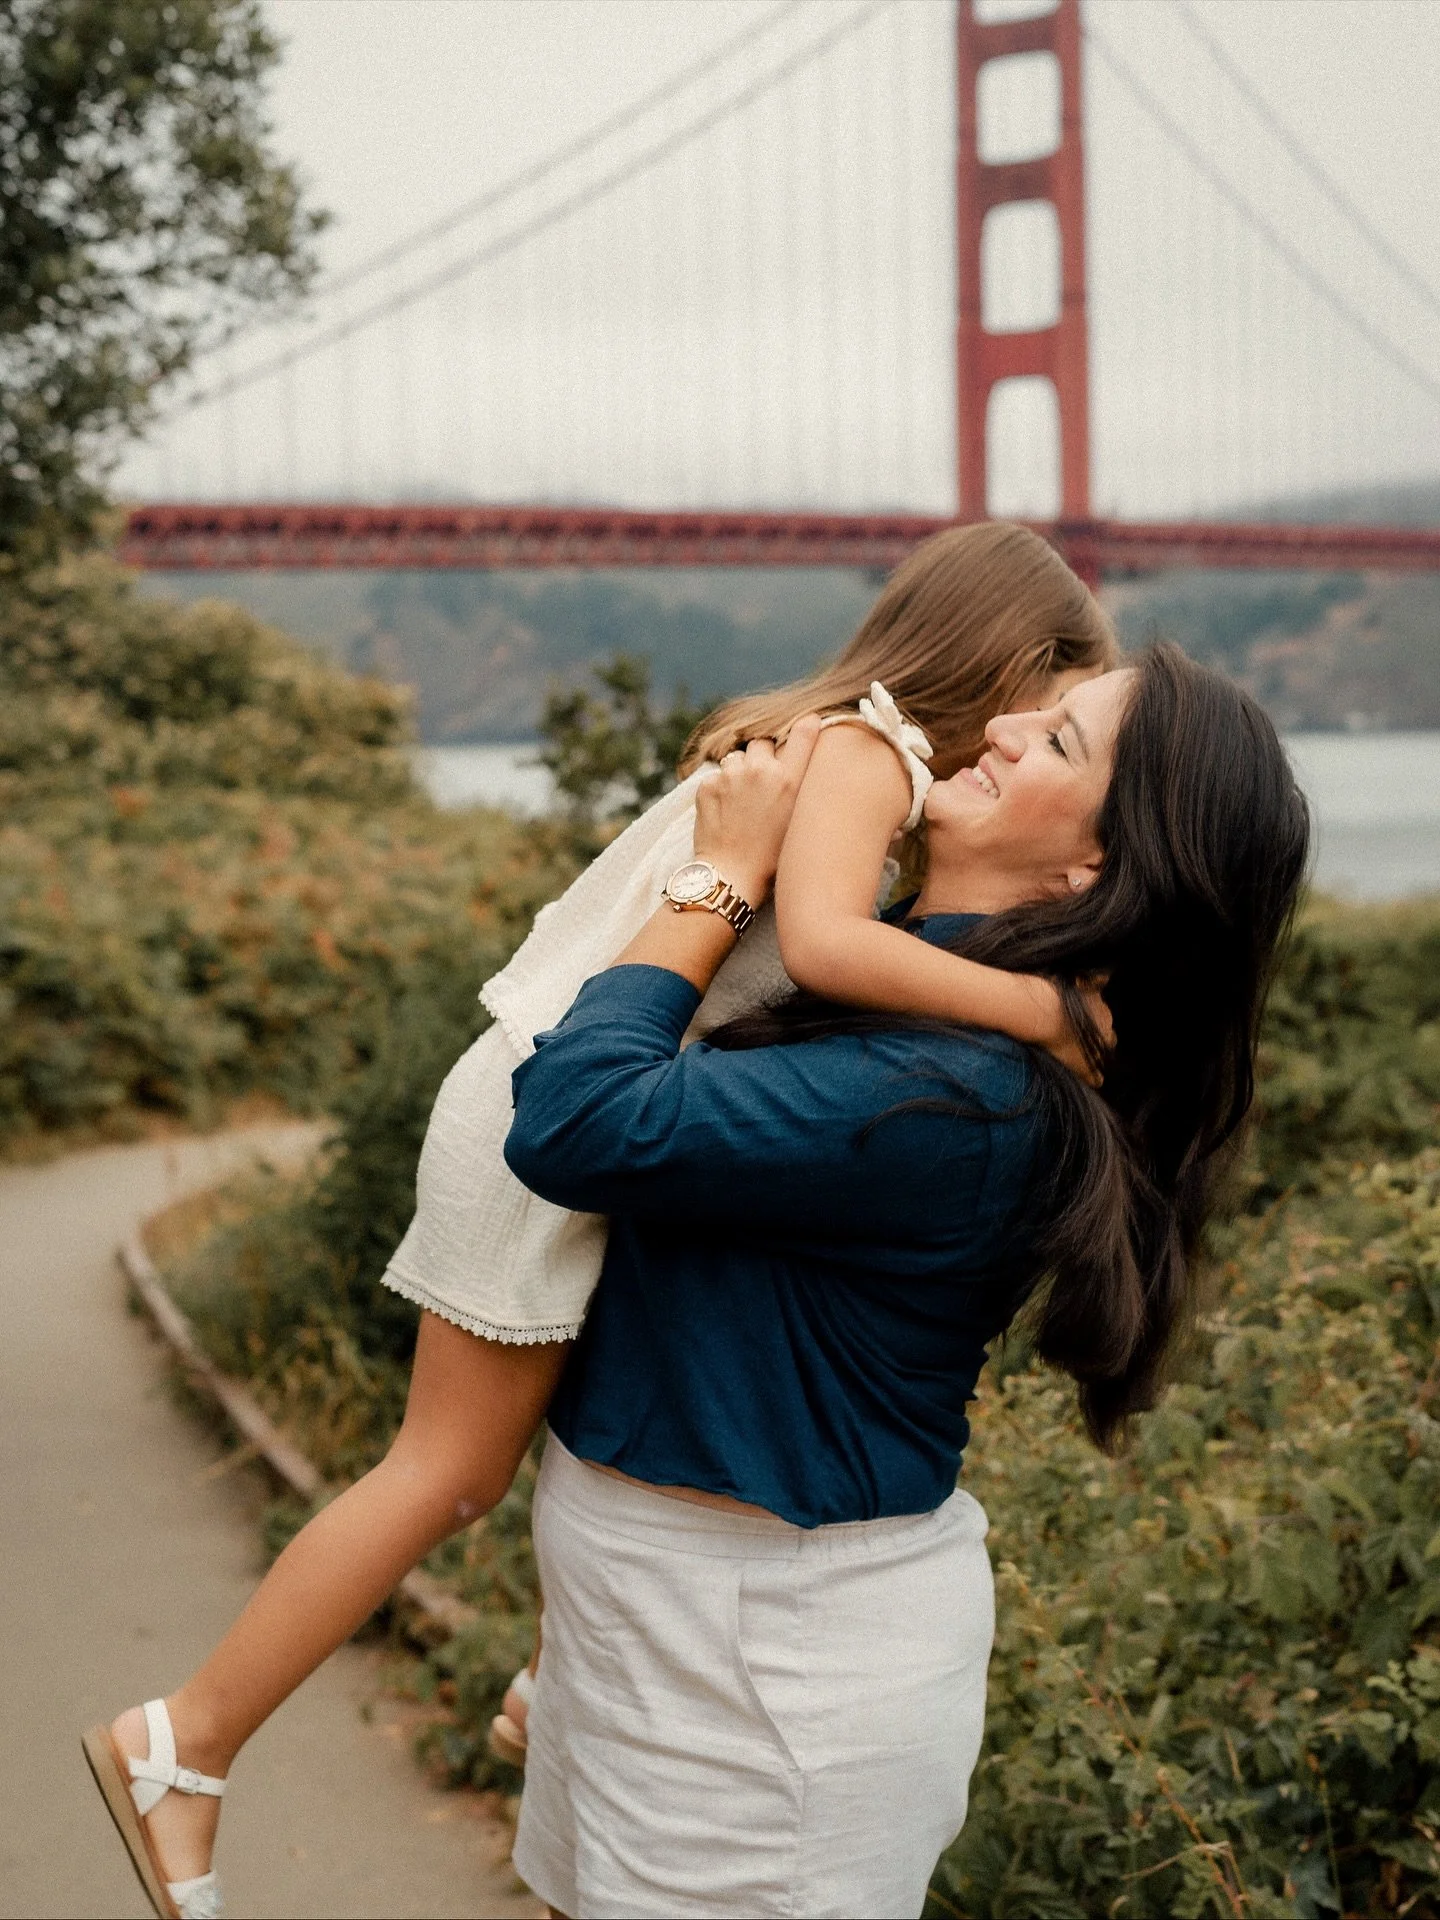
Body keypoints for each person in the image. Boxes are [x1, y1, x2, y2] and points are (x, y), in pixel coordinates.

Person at [84, 524, 1117, 1920]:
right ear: (994, 652)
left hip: (565, 1074)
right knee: (447, 1470)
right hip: (548, 1093)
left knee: (560, 1425)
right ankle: (188, 1742)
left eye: (1054, 734)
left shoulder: (829, 750)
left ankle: (536, 1679)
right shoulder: (867, 759)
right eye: (1048, 694)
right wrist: (1046, 1009)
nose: (1014, 729)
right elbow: (821, 951)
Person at [500, 645, 1309, 1919]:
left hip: (765, 1673)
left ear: (1094, 867)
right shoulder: (919, 997)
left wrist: (721, 875)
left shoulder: (957, 1097)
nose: (1002, 724)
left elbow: (575, 1119)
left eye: (1059, 742)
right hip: (659, 1613)